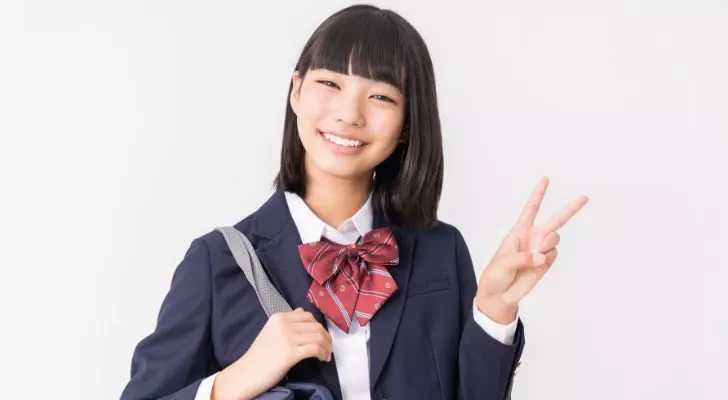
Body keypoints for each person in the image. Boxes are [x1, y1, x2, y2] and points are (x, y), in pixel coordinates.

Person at [120, 4, 589, 400]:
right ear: (296, 91)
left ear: (407, 123)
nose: (349, 113)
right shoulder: (217, 261)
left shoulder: (440, 252)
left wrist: (493, 310)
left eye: (381, 95)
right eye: (330, 84)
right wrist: (233, 381)